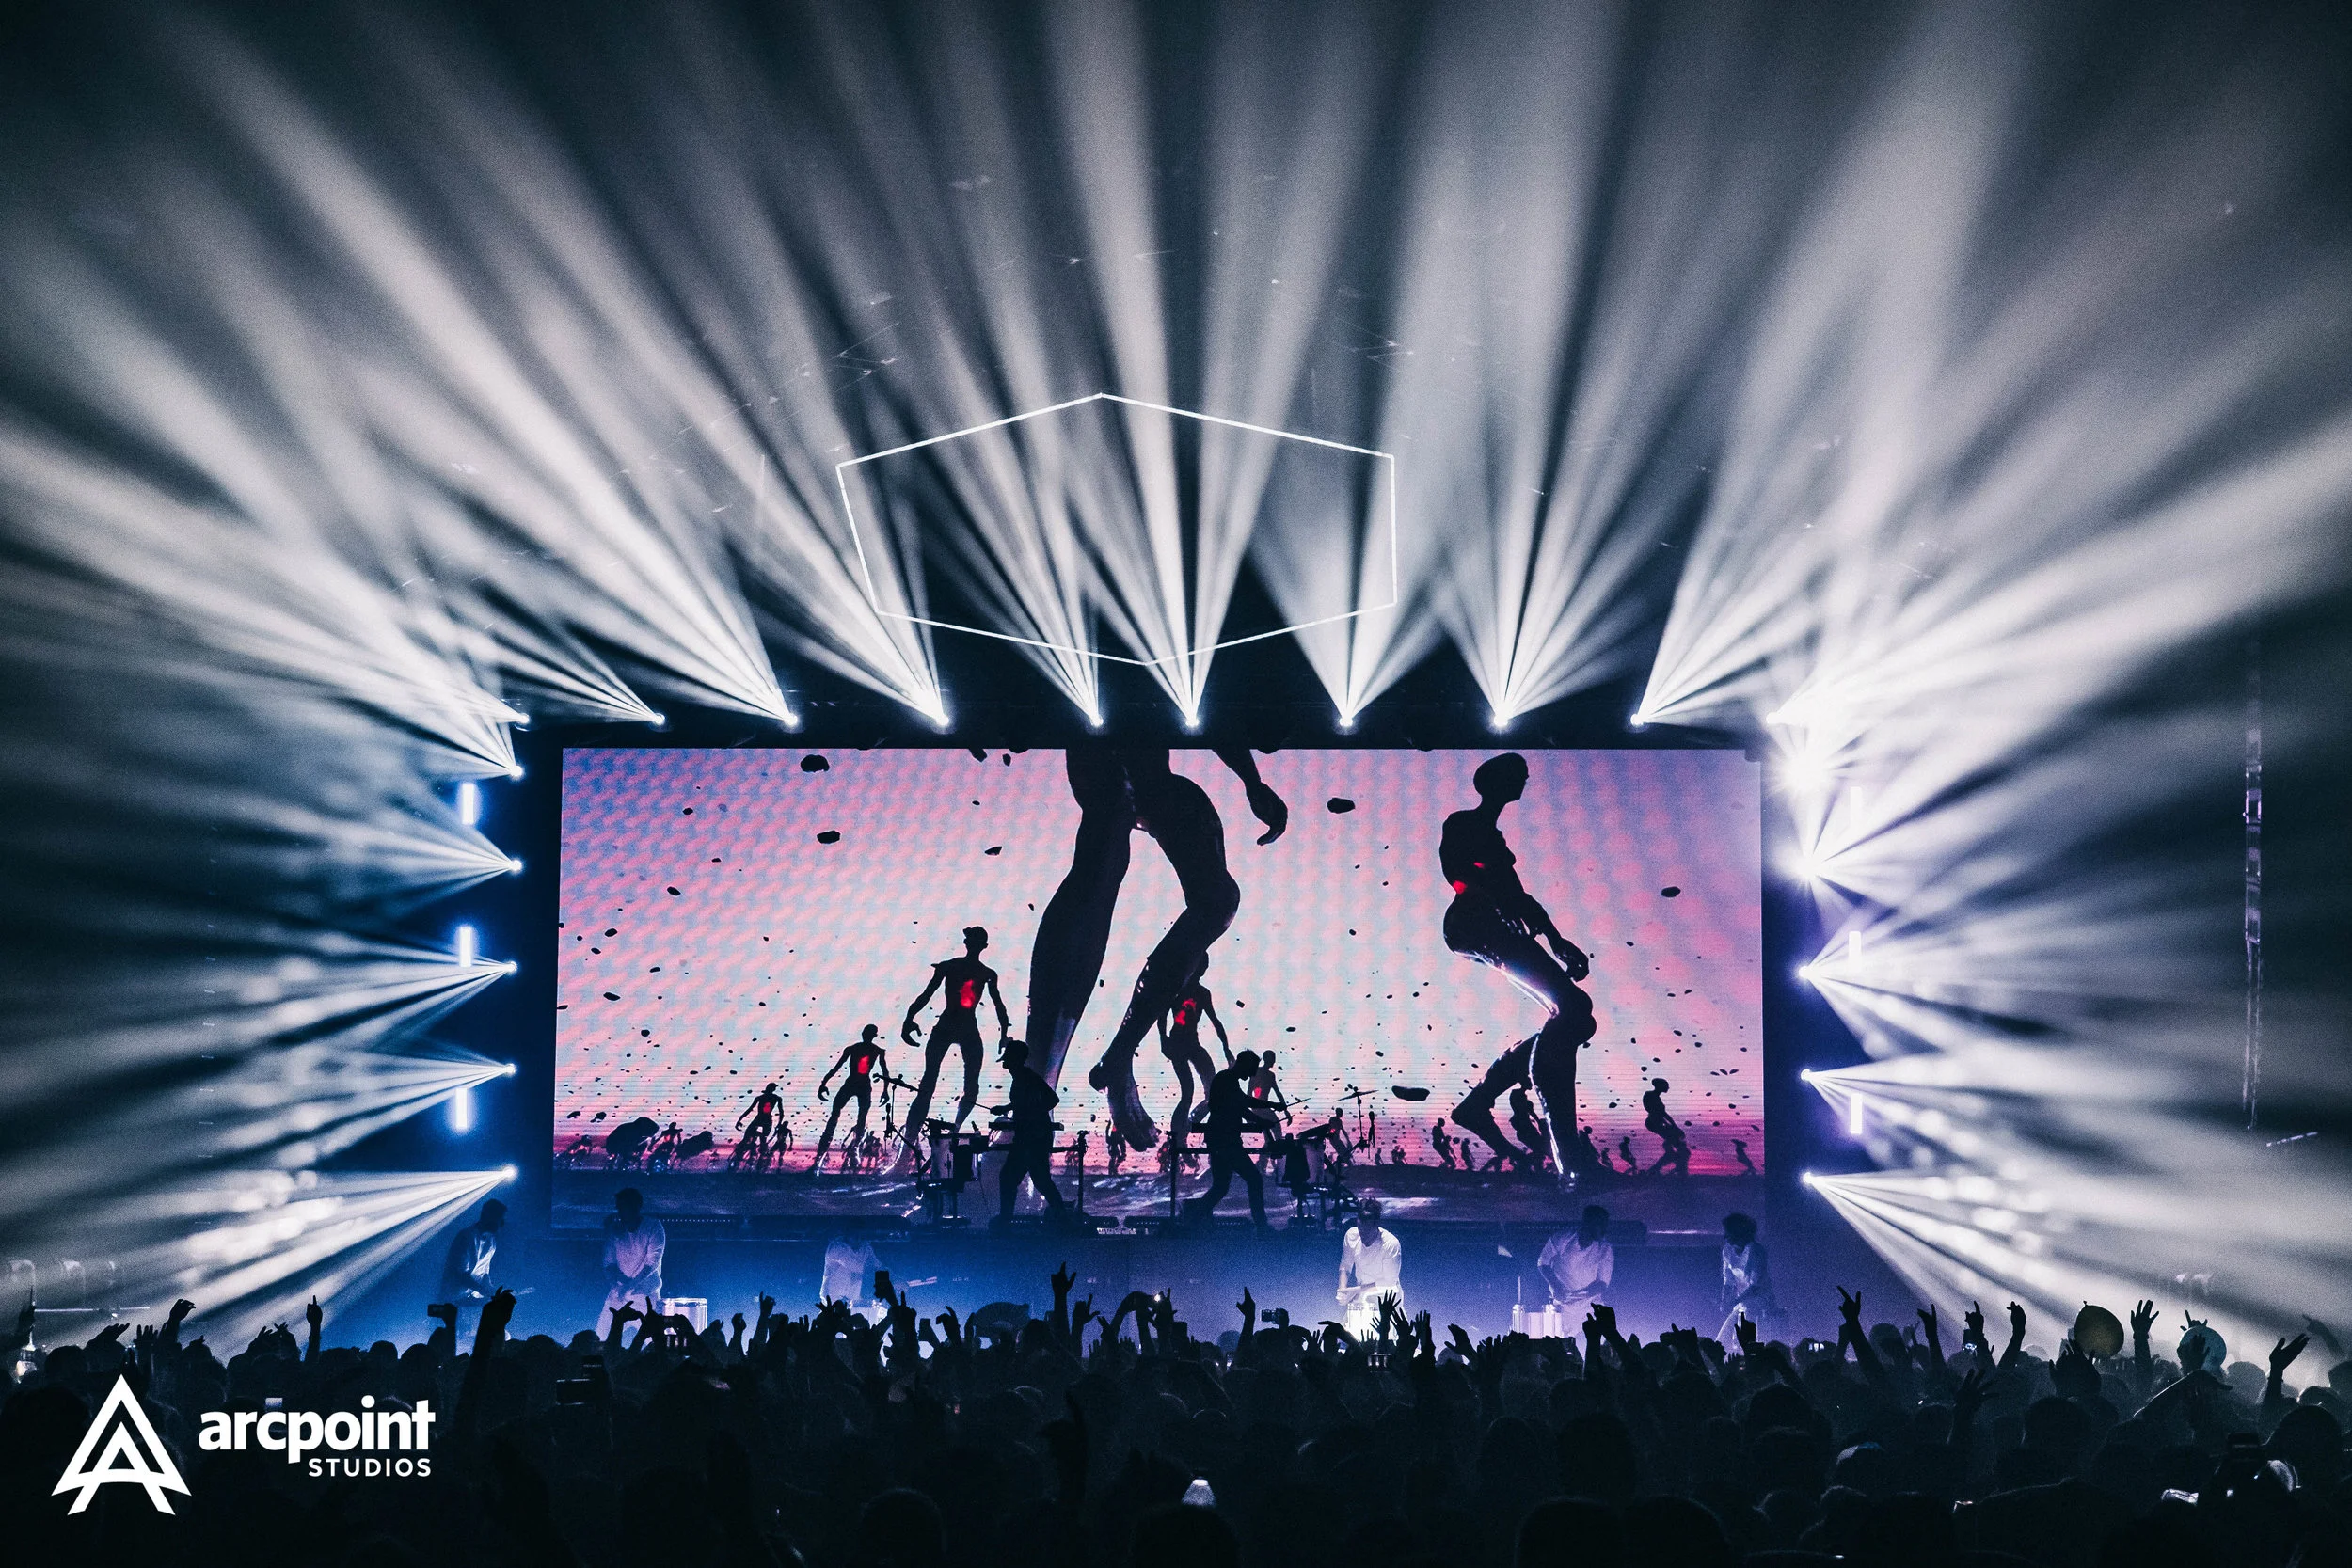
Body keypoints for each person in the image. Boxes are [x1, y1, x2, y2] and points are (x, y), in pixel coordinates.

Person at [1018, 745, 1288, 1148]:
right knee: (1101, 863)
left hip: (1150, 781)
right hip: (1105, 765)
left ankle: (1115, 1056)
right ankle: (1041, 1085)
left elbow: (1214, 716)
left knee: (1216, 899)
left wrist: (1252, 781)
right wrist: (1251, 780)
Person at [1439, 753, 1600, 1181]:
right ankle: (1569, 1159)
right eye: (1519, 775)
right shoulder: (1463, 823)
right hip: (1475, 925)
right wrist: (1495, 902)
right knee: (1572, 1009)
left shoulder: (1494, 837)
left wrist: (1556, 939)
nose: (1525, 781)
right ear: (1495, 781)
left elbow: (1520, 896)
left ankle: (1481, 1101)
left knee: (1577, 1017)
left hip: (1498, 927)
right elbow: (1457, 874)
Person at [899, 927, 1009, 1159]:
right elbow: (926, 994)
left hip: (962, 1027)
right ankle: (911, 1142)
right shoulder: (954, 967)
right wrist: (909, 1018)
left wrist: (1004, 1033)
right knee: (930, 1083)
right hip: (951, 1025)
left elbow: (999, 1004)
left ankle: (952, 1132)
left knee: (963, 1085)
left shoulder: (982, 972)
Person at [1184, 1049, 1279, 1229]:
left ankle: (1191, 1222)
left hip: (1219, 1140)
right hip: (1226, 1141)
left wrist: (1271, 1106)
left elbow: (1243, 1102)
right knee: (1254, 1179)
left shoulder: (1226, 1079)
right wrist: (1262, 1117)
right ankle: (1261, 1226)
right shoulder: (1227, 1080)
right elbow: (1242, 1106)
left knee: (1220, 1188)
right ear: (1244, 1064)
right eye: (1250, 1070)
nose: (1251, 1075)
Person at [1155, 961, 1225, 1163]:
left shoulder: (1203, 993)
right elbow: (1162, 1015)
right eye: (1200, 966)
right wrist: (1163, 1038)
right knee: (1187, 1091)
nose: (1201, 970)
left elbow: (1215, 1020)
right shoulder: (1177, 989)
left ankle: (1190, 1122)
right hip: (1177, 1042)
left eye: (1204, 967)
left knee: (1214, 1090)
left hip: (1193, 1043)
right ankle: (1178, 1140)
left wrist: (1225, 1047)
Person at [995, 1039, 1069, 1222]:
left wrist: (1031, 1114)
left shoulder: (1028, 1078)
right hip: (1033, 1137)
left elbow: (1052, 1099)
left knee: (1010, 1178)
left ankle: (1005, 1222)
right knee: (1040, 1180)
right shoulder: (1023, 1078)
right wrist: (1007, 1108)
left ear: (1015, 1059)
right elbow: (1025, 1103)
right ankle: (1063, 1218)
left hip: (1031, 1138)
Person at [814, 1026, 887, 1174]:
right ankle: (823, 1153)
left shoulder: (875, 1051)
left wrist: (886, 1090)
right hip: (854, 1083)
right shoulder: (857, 1049)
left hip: (859, 1084)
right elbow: (837, 1067)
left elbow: (885, 1071)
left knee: (857, 1117)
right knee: (839, 1115)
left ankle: (853, 1149)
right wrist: (823, 1083)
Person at [438, 1198, 505, 1343]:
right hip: (453, 1299)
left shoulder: (492, 1241)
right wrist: (484, 1291)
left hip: (469, 1300)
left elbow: (484, 1273)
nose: (502, 1223)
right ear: (488, 1216)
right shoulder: (466, 1237)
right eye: (500, 1218)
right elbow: (461, 1275)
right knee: (450, 1339)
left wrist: (493, 1290)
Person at [600, 1188, 666, 1334]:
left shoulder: (653, 1227)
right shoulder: (615, 1231)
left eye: (624, 1207)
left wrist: (630, 1285)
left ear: (636, 1206)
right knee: (602, 1336)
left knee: (655, 1339)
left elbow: (652, 1263)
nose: (620, 1212)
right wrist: (617, 1285)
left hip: (647, 1296)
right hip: (619, 1295)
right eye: (619, 1207)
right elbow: (609, 1264)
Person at [1336, 1197, 1402, 1336]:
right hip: (1361, 1297)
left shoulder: (1390, 1244)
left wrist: (1355, 1290)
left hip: (1387, 1300)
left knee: (1385, 1338)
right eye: (1360, 1230)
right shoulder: (1351, 1235)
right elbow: (1345, 1266)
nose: (1362, 1235)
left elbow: (1388, 1282)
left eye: (1366, 1231)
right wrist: (1342, 1290)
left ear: (1376, 1225)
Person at [1540, 1204, 1614, 1315]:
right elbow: (1543, 1262)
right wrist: (1556, 1287)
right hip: (1561, 1308)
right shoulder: (1562, 1239)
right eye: (1600, 1225)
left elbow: (1602, 1284)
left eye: (1605, 1226)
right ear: (1588, 1223)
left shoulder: (1605, 1249)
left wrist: (1579, 1295)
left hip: (1591, 1309)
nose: (1604, 1230)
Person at [1718, 1212, 1775, 1339]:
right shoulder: (1727, 1251)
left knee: (1748, 1338)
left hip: (1760, 1302)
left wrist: (1734, 1302)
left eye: (1728, 1232)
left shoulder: (1756, 1251)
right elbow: (1728, 1280)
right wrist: (1724, 1300)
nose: (1725, 1236)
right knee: (1722, 1339)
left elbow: (1755, 1286)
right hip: (1740, 1302)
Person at [1644, 1077, 1691, 1176]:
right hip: (1655, 1123)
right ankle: (1679, 1169)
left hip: (1657, 1123)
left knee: (1678, 1147)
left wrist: (1673, 1126)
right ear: (1660, 1086)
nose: (1668, 1088)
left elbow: (1663, 1114)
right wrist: (1672, 1126)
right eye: (1666, 1086)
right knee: (1680, 1147)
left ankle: (1674, 1166)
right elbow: (1657, 1113)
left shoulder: (1655, 1097)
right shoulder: (1650, 1095)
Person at [732, 1081, 784, 1170]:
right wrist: (740, 1119)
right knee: (756, 1139)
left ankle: (758, 1163)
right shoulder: (769, 1098)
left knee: (760, 1140)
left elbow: (781, 1111)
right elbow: (781, 1112)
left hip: (763, 1119)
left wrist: (740, 1119)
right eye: (773, 1088)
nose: (774, 1090)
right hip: (763, 1119)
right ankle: (745, 1160)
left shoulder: (769, 1098)